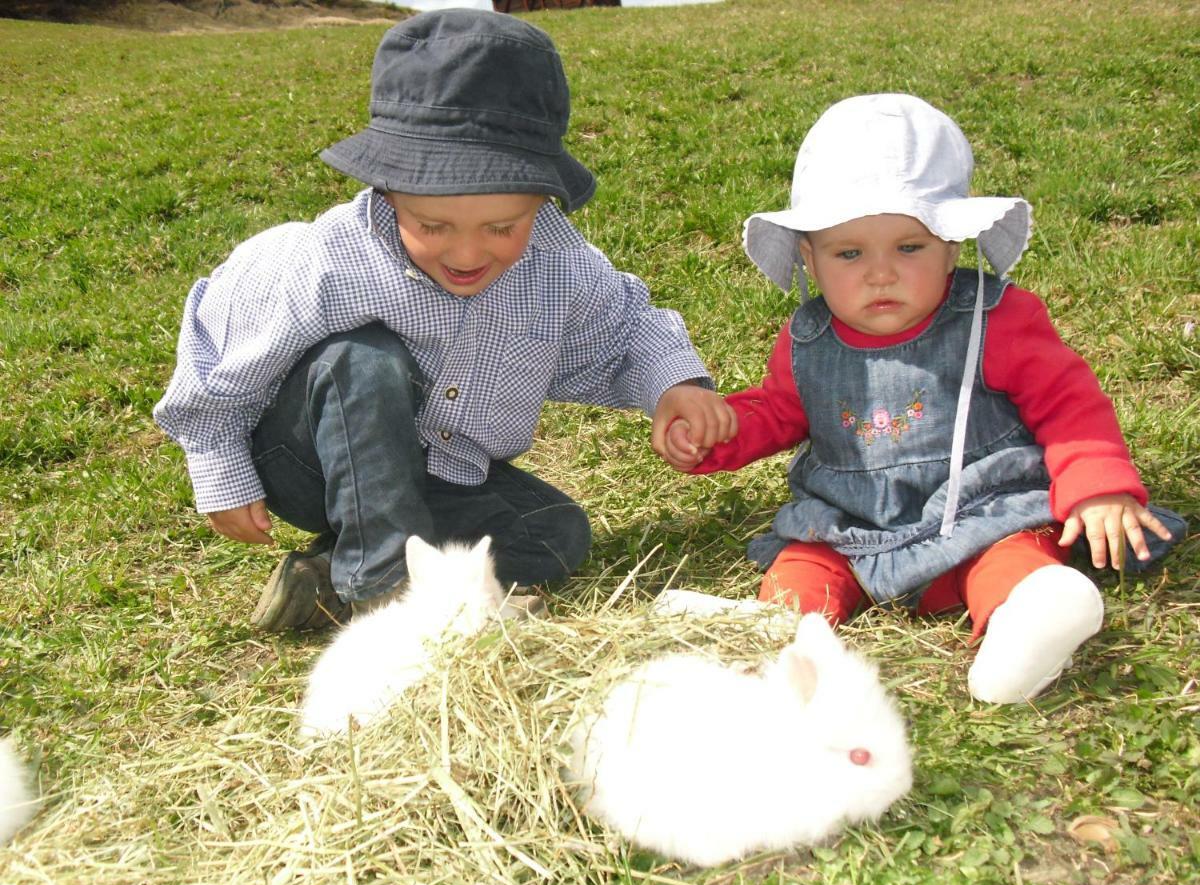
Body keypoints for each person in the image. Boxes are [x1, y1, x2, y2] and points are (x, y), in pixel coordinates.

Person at [154, 10, 736, 633]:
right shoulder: (324, 260)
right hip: (308, 463)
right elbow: (219, 346)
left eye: (501, 228)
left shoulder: (559, 270)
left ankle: (331, 577)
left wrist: (673, 386)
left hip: (436, 473)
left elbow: (627, 330)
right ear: (387, 190)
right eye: (431, 226)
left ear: (541, 202)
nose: (465, 254)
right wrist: (218, 468)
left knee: (554, 533)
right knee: (363, 360)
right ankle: (386, 595)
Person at [658, 94, 1184, 704]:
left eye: (909, 248)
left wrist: (1099, 485)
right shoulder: (806, 339)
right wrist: (718, 432)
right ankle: (785, 631)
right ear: (810, 256)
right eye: (849, 253)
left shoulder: (995, 318)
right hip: (851, 526)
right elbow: (779, 411)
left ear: (953, 246)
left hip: (979, 515)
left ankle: (1025, 622)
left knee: (1012, 555)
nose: (881, 273)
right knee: (805, 563)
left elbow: (1067, 403)